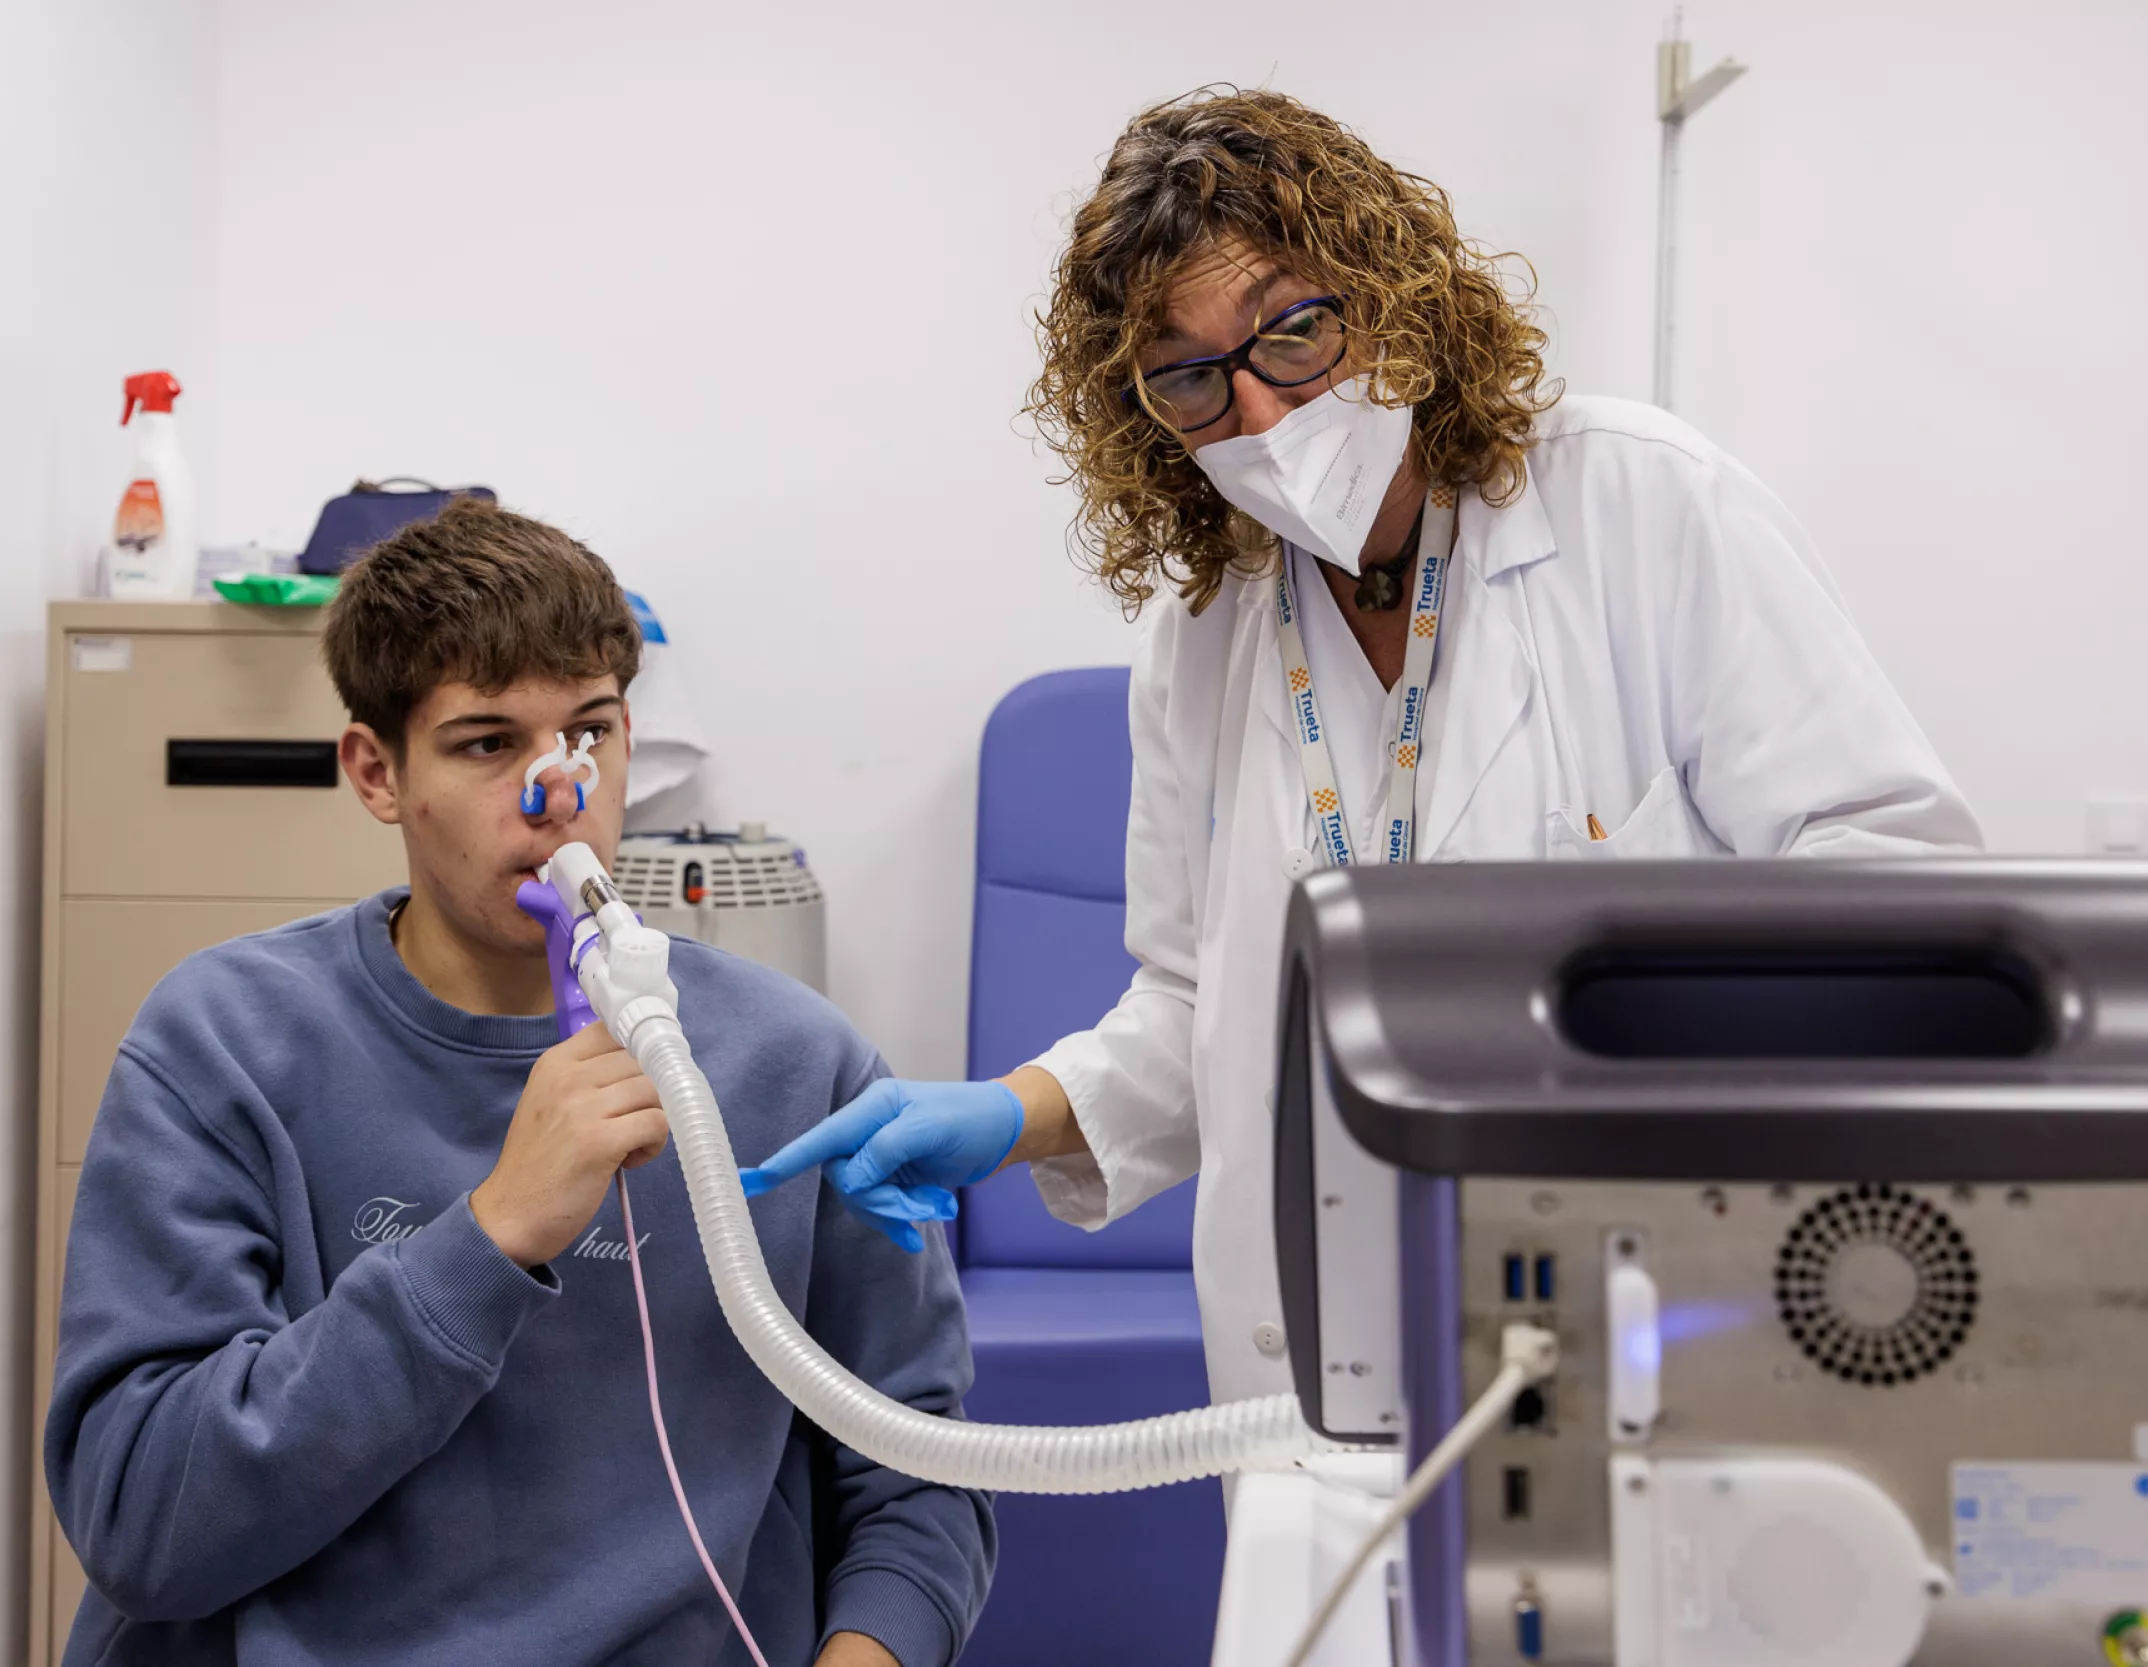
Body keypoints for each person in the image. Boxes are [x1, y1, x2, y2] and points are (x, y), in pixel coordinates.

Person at [745, 89, 1980, 1410]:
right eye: (1189, 374)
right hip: (1312, 1330)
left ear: (1392, 295)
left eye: (1293, 329)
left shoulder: (1635, 501)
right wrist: (1008, 1113)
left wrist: (1632, 1014)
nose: (1263, 412)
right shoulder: (1205, 629)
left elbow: (1888, 871)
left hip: (1658, 1283)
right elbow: (1196, 1009)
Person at [45, 499, 995, 1667]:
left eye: (588, 734)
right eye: (488, 744)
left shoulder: (792, 1061)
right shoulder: (223, 1043)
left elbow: (923, 1475)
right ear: (376, 772)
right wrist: (489, 1236)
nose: (557, 795)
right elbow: (144, 1526)